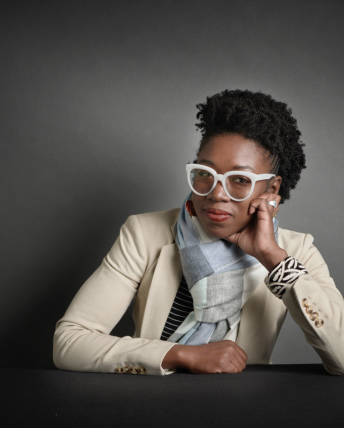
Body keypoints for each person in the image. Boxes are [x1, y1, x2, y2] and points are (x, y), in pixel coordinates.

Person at [53, 89, 344, 376]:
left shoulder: (295, 251)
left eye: (240, 179)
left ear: (272, 189)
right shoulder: (145, 233)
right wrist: (181, 355)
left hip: (246, 409)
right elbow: (69, 342)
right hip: (150, 403)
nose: (217, 193)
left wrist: (272, 258)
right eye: (205, 174)